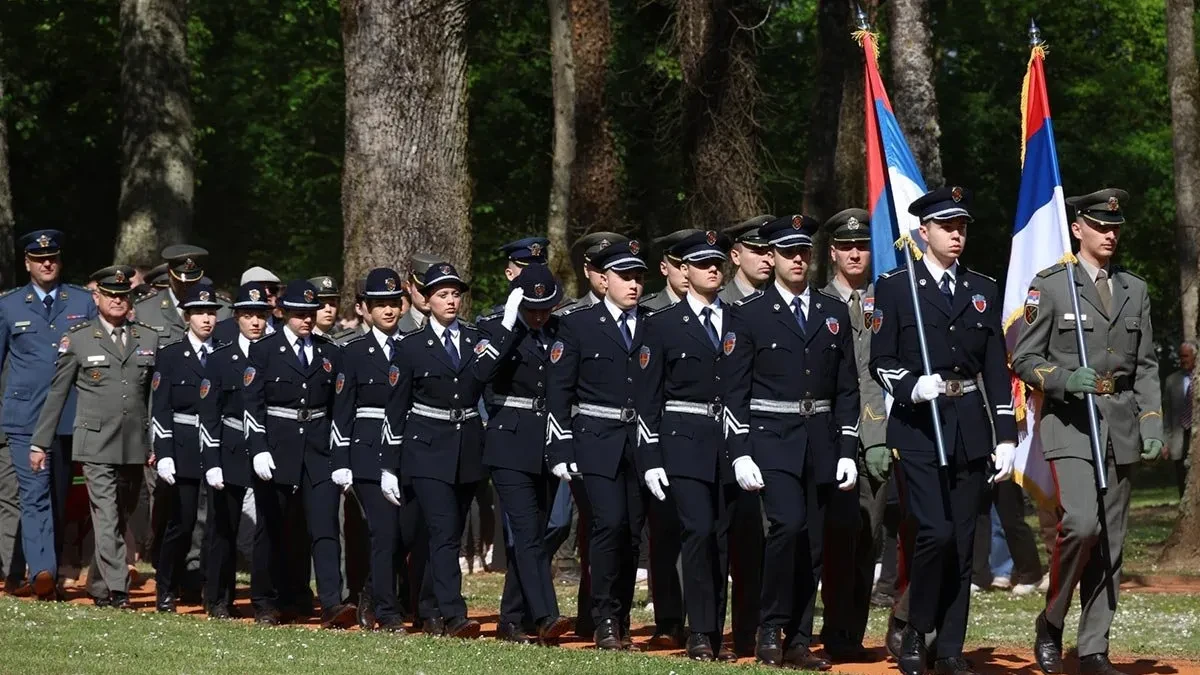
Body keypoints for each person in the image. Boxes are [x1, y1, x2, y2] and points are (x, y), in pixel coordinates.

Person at [1013, 188, 1163, 675]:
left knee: (1112, 543)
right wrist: (1060, 379)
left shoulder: (1134, 289)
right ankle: (1051, 622)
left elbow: (1145, 367)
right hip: (1071, 423)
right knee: (1081, 525)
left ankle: (1094, 647)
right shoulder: (1052, 285)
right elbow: (1024, 359)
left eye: (1115, 227)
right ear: (1078, 228)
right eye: (1100, 226)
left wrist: (1152, 423)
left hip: (1119, 424)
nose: (1110, 234)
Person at [870, 186, 1017, 675]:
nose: (957, 235)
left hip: (969, 425)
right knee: (932, 532)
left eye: (962, 227)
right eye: (947, 227)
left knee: (960, 543)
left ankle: (949, 647)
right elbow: (881, 361)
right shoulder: (896, 286)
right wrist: (913, 387)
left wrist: (1005, 434)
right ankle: (915, 628)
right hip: (918, 427)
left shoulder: (981, 288)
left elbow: (995, 366)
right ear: (923, 232)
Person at [719, 214, 859, 671]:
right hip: (770, 439)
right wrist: (739, 449)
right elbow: (734, 388)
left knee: (814, 544)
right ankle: (768, 627)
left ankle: (799, 638)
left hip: (819, 440)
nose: (798, 260)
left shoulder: (831, 312)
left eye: (804, 252)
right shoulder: (747, 313)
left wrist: (846, 449)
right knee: (788, 526)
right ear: (772, 256)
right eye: (787, 252)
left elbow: (846, 389)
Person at [635, 229, 741, 661]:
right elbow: (647, 397)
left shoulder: (737, 319)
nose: (713, 269)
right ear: (684, 271)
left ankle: (715, 630)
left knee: (720, 537)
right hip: (681, 441)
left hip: (728, 443)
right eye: (702, 264)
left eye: (718, 263)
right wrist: (650, 457)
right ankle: (698, 630)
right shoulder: (660, 325)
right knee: (696, 531)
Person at [32, 266, 157, 609]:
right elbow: (57, 395)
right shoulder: (80, 338)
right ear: (97, 297)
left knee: (121, 514)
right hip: (96, 443)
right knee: (105, 514)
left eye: (123, 295)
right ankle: (118, 589)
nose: (118, 301)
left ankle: (100, 585)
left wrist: (154, 443)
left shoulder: (147, 337)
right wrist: (39, 443)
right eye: (111, 295)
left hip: (134, 443)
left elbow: (150, 397)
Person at [546, 239, 650, 651]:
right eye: (626, 277)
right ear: (603, 281)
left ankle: (621, 615)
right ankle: (604, 617)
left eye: (640, 277)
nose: (634, 285)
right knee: (608, 525)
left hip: (640, 443)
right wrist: (561, 448)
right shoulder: (578, 324)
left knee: (633, 534)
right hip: (595, 440)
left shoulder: (652, 323)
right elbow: (559, 390)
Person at [242, 279, 356, 628]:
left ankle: (332, 602)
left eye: (311, 312)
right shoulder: (263, 350)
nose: (306, 319)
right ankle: (265, 599)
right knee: (273, 527)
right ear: (283, 313)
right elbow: (252, 404)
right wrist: (258, 447)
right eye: (298, 313)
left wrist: (341, 458)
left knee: (323, 526)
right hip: (278, 447)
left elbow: (340, 408)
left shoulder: (328, 352)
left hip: (318, 450)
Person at [384, 262, 486, 639]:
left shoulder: (476, 340)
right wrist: (388, 466)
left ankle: (427, 607)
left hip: (466, 448)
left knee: (446, 532)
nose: (451, 301)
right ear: (426, 301)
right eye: (442, 294)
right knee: (443, 531)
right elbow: (395, 409)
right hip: (426, 448)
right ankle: (453, 612)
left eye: (456, 294)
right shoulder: (410, 347)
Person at [474, 263, 573, 644]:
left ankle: (512, 618)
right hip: (508, 442)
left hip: (548, 440)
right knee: (528, 533)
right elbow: (481, 373)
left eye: (545, 307)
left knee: (543, 531)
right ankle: (546, 615)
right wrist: (508, 326)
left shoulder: (558, 331)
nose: (539, 315)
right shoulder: (497, 328)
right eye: (531, 308)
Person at [0, 229, 97, 599]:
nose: (46, 263)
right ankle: (42, 571)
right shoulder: (9, 307)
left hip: (72, 414)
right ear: (27, 263)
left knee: (58, 496)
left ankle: (47, 567)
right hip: (26, 415)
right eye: (39, 258)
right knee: (34, 492)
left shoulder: (82, 301)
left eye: (52, 257)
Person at [818, 208, 890, 660]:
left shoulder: (891, 301)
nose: (855, 253)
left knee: (868, 538)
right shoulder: (817, 302)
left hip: (882, 437)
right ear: (833, 253)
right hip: (830, 440)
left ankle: (848, 634)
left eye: (862, 245)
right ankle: (806, 628)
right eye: (846, 246)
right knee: (827, 539)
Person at [329, 268, 412, 633]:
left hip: (408, 451)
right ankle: (386, 610)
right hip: (368, 451)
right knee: (383, 532)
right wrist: (341, 459)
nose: (389, 311)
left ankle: (374, 591)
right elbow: (343, 409)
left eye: (394, 303)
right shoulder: (353, 351)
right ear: (364, 309)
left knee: (407, 533)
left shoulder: (413, 346)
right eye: (380, 304)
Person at [196, 282, 272, 618]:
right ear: (237, 317)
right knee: (221, 528)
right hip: (227, 449)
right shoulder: (220, 358)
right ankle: (217, 598)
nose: (255, 322)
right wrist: (211, 460)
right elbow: (209, 414)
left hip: (265, 450)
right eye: (248, 315)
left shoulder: (274, 355)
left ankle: (263, 599)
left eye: (261, 315)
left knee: (266, 529)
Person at [149, 283, 221, 613]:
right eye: (199, 313)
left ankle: (208, 587)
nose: (206, 319)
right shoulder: (171, 355)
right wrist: (163, 452)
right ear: (186, 316)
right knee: (183, 521)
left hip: (217, 446)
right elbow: (161, 408)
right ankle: (166, 586)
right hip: (182, 445)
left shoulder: (225, 353)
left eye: (211, 313)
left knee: (216, 523)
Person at [718, 215, 775, 306]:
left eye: (770, 253)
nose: (767, 259)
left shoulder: (783, 299)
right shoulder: (718, 303)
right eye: (758, 252)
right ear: (736, 257)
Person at [1165, 340, 1196, 497]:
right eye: (1180, 356)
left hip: (1195, 435)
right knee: (1181, 476)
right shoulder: (1172, 381)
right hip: (1179, 437)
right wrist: (1166, 442)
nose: (1183, 360)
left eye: (1186, 356)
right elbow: (1167, 415)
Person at [640, 228, 698, 311]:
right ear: (664, 268)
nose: (687, 273)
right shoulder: (646, 309)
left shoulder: (717, 304)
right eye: (679, 266)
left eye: (694, 266)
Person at [398, 254, 441, 333]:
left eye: (432, 290)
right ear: (409, 287)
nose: (426, 295)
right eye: (421, 290)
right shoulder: (395, 329)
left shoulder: (459, 328)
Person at [309, 275, 358, 343]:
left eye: (332, 304)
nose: (328, 309)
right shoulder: (303, 340)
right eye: (321, 304)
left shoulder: (348, 339)